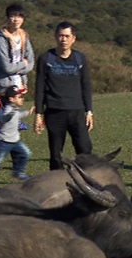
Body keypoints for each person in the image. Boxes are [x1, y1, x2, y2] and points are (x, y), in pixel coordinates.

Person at [34, 21, 93, 170]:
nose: (63, 39)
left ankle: (84, 182)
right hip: (55, 112)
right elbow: (39, 86)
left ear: (73, 38)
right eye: (60, 36)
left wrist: (89, 111)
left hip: (77, 111)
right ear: (55, 37)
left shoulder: (80, 58)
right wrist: (39, 113)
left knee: (85, 150)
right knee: (55, 155)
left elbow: (85, 85)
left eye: (67, 36)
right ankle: (55, 186)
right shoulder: (46, 58)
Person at [0, 85, 33, 187]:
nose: (22, 99)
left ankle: (18, 172)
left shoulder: (14, 109)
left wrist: (27, 112)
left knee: (25, 154)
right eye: (19, 97)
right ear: (11, 99)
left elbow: (18, 115)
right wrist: (10, 114)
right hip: (3, 141)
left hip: (15, 141)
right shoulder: (8, 109)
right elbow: (4, 118)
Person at [0, 4, 35, 92]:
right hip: (5, 85)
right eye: (13, 16)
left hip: (21, 83)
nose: (16, 19)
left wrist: (20, 71)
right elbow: (6, 67)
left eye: (19, 16)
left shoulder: (24, 37)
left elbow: (31, 63)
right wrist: (23, 64)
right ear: (7, 18)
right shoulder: (2, 39)